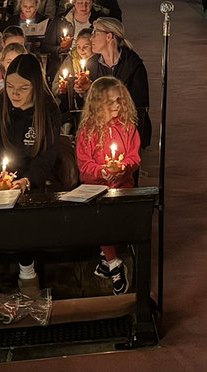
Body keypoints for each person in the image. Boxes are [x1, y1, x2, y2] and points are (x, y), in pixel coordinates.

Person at [0, 54, 60, 302]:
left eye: (23, 88)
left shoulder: (48, 112)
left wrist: (27, 181)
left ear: (36, 87)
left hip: (28, 180)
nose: (15, 93)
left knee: (24, 214)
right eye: (10, 86)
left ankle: (27, 270)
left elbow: (47, 157)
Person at [76, 77, 141, 295]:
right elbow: (84, 165)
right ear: (96, 104)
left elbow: (134, 157)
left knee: (114, 216)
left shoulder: (128, 127)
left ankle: (108, 259)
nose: (116, 106)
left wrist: (123, 167)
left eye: (119, 101)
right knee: (99, 216)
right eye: (109, 102)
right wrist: (101, 171)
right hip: (95, 187)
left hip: (123, 185)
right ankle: (114, 264)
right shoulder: (88, 131)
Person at [89, 17, 152, 148]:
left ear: (109, 36)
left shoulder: (133, 65)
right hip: (99, 128)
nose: (91, 38)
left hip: (127, 129)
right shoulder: (92, 65)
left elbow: (140, 104)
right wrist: (84, 90)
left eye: (95, 33)